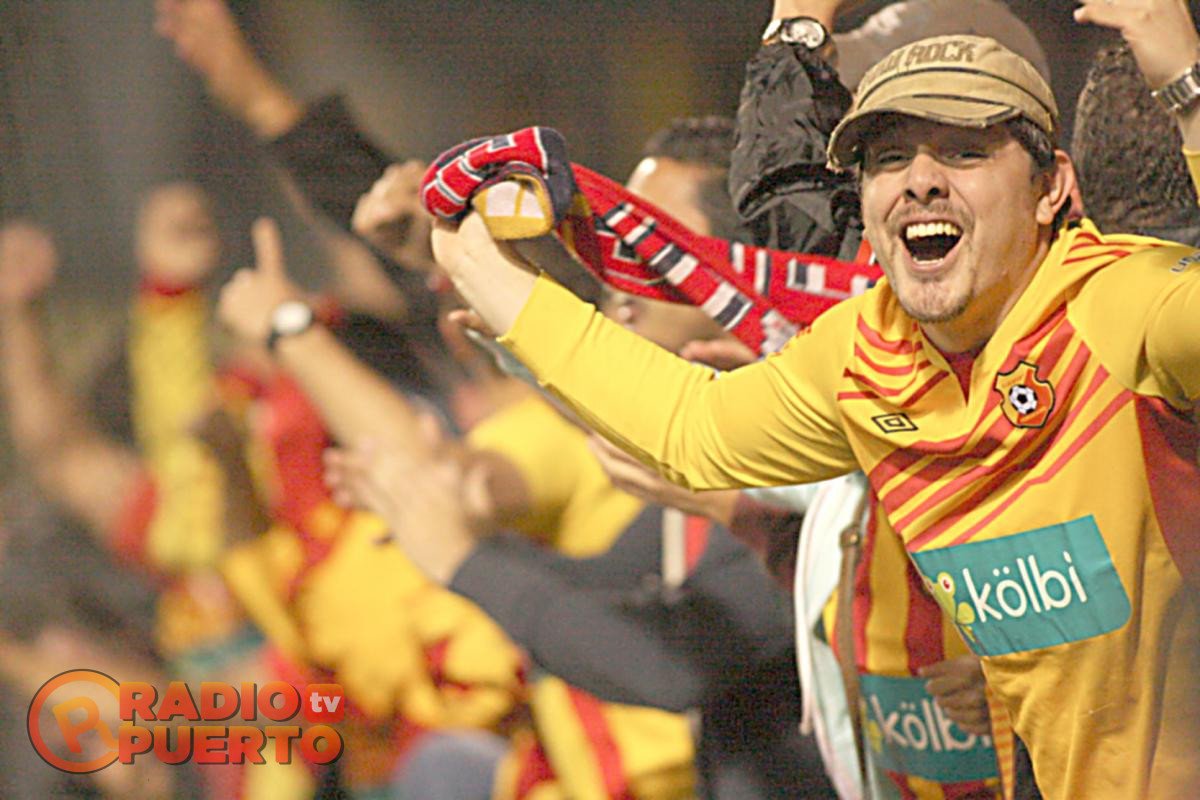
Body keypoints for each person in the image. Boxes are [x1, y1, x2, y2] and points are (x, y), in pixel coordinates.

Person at [428, 10, 1200, 798]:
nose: (921, 180)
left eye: (965, 151)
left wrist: (1189, 90)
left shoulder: (1118, 305)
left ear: (1052, 189)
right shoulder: (865, 352)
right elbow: (689, 428)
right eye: (888, 158)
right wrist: (478, 266)